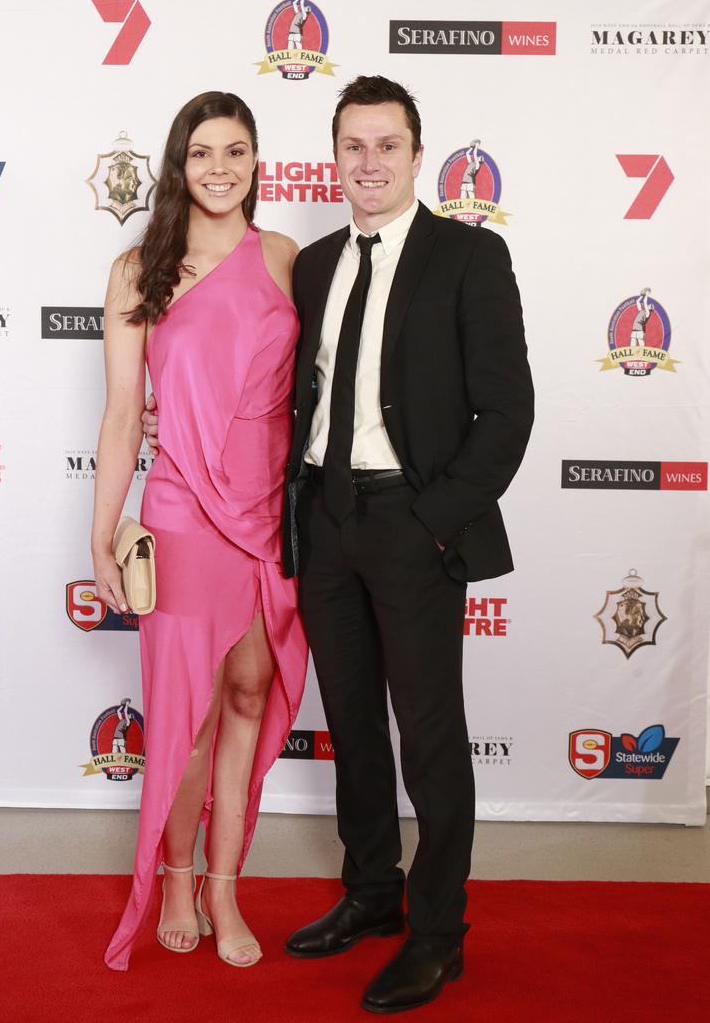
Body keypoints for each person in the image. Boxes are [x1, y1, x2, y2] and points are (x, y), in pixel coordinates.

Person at [143, 75, 533, 1013]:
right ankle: (371, 894)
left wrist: (435, 517)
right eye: (352, 147)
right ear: (333, 158)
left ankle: (439, 934)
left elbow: (508, 413)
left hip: (413, 522)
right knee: (353, 725)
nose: (369, 163)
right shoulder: (308, 264)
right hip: (320, 525)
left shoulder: (468, 257)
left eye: (386, 146)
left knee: (429, 737)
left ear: (414, 151)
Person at [92, 91, 308, 972]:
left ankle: (226, 882)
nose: (220, 168)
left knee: (251, 695)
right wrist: (101, 536)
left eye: (237, 151)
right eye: (202, 153)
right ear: (179, 166)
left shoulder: (289, 256)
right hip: (181, 510)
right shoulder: (140, 267)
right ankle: (178, 876)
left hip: (268, 512)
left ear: (258, 162)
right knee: (185, 717)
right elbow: (118, 417)